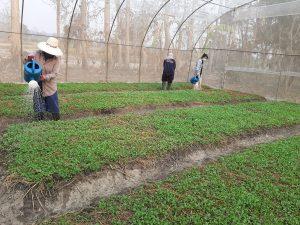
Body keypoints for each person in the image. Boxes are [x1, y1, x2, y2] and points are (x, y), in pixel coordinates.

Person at [26, 37, 63, 121]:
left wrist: (45, 77)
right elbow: (27, 63)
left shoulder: (56, 59)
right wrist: (28, 59)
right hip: (37, 81)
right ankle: (39, 118)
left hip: (49, 84)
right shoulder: (37, 54)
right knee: (37, 99)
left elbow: (55, 73)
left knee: (52, 101)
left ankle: (56, 119)